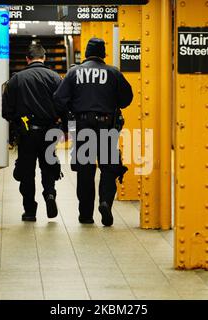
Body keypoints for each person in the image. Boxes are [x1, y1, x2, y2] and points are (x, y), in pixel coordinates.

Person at [53, 38, 133, 227]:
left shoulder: (74, 73)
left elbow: (58, 99)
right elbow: (126, 99)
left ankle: (86, 215)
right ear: (103, 53)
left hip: (83, 126)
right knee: (108, 168)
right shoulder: (114, 73)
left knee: (85, 170)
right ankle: (105, 202)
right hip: (106, 124)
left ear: (87, 54)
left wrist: (71, 113)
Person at [2, 43, 63, 222]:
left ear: (27, 59)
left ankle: (30, 211)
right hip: (49, 131)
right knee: (48, 167)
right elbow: (63, 104)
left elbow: (6, 110)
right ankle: (50, 194)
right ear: (44, 58)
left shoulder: (16, 79)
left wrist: (18, 123)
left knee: (27, 172)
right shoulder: (55, 78)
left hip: (26, 133)